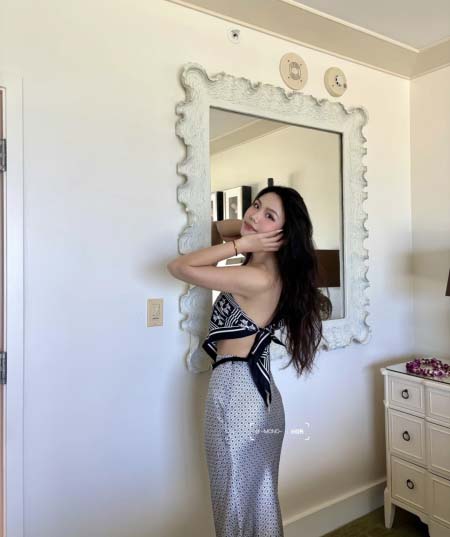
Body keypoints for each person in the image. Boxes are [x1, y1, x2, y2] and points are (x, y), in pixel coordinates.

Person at [167, 185, 332, 537]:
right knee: (259, 499)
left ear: (283, 236)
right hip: (261, 398)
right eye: (255, 206)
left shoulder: (255, 277)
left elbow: (179, 267)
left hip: (235, 395)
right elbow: (222, 227)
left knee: (233, 506)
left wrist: (242, 244)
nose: (254, 216)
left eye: (269, 215)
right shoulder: (273, 275)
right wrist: (254, 233)